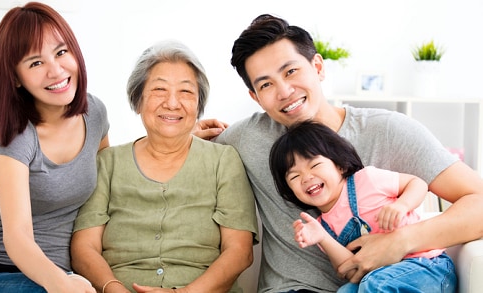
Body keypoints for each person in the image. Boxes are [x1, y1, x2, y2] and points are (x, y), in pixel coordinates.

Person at [195, 13, 483, 292]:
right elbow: (174, 155)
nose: (284, 91)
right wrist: (185, 135)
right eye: (266, 84)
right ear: (255, 97)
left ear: (318, 67)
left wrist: (401, 241)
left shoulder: (387, 131)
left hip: (389, 282)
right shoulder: (247, 137)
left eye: (291, 71)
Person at [70, 40, 259, 293]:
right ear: (138, 100)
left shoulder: (223, 160)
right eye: (159, 89)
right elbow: (84, 248)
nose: (172, 103)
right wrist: (114, 289)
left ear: (198, 105)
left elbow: (240, 252)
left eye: (186, 92)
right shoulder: (107, 162)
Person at [0, 2, 109, 292]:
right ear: (15, 78)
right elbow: (17, 237)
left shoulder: (94, 112)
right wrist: (61, 285)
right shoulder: (14, 135)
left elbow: (114, 170)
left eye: (61, 52)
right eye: (36, 63)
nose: (56, 71)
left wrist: (175, 136)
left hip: (61, 277)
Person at [269, 120, 457, 292]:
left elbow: (417, 183)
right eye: (294, 176)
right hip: (375, 280)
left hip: (426, 266)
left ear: (340, 165)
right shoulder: (322, 226)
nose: (306, 178)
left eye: (315, 165)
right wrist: (322, 238)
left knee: (375, 283)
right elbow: (352, 271)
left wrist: (402, 205)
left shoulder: (367, 179)